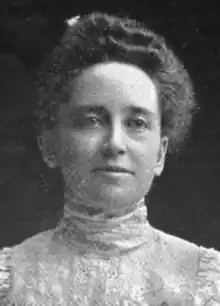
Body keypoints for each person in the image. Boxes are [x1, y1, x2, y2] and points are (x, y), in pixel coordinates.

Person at [0, 11, 220, 305]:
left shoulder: (206, 283)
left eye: (137, 123)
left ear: (160, 153)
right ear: (49, 145)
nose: (115, 143)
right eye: (92, 120)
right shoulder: (10, 280)